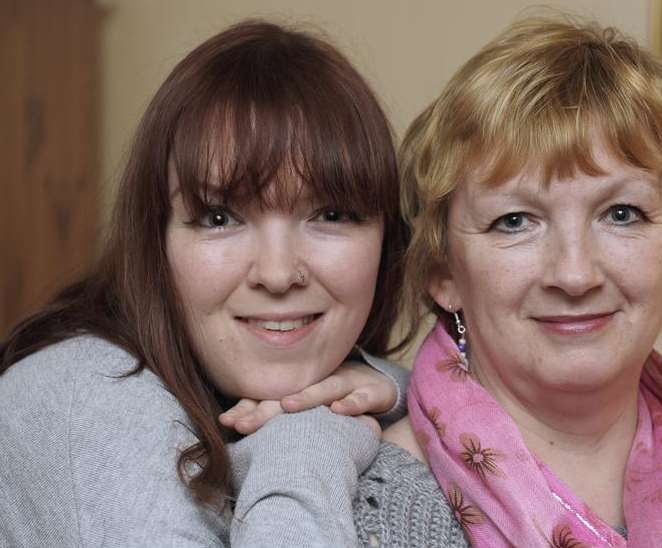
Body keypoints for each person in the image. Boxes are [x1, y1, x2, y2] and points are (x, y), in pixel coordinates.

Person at [353, 17, 662, 547]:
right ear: (443, 271)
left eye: (621, 213)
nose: (574, 274)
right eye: (514, 221)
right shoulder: (371, 513)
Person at [0, 20, 412, 546]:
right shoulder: (88, 401)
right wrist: (310, 435)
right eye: (220, 218)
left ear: (387, 239)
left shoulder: (232, 375)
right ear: (156, 241)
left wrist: (398, 391)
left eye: (331, 214)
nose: (279, 273)